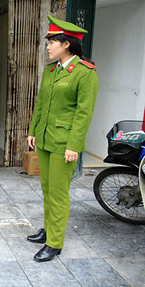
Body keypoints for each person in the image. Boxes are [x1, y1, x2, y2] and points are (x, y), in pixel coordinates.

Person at [27, 16, 98, 262]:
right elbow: (41, 103)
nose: (47, 47)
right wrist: (33, 130)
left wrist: (74, 146)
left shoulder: (84, 73)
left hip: (64, 142)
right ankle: (49, 229)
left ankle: (55, 243)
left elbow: (83, 113)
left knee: (58, 193)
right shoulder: (50, 70)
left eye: (52, 42)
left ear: (66, 44)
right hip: (46, 139)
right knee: (47, 189)